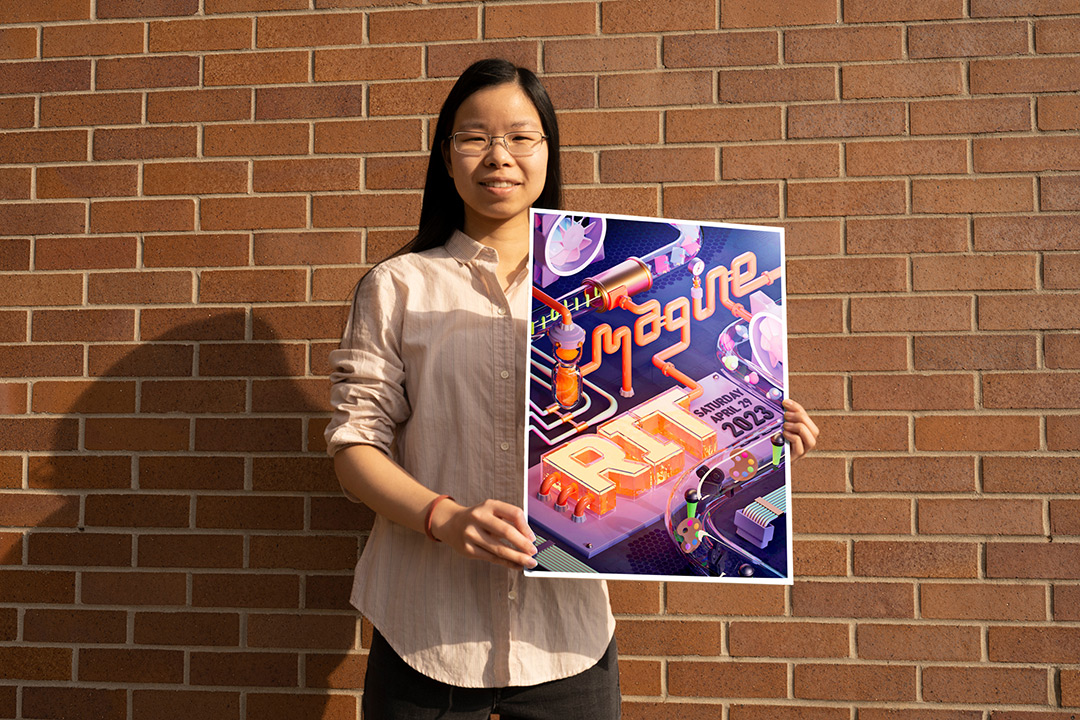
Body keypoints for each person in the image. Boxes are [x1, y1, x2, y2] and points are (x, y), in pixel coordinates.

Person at [325, 58, 819, 720]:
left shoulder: (610, 294)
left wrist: (763, 431)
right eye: (475, 136)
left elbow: (673, 423)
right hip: (424, 630)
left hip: (566, 641)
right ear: (445, 157)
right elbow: (354, 445)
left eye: (520, 136)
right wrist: (445, 518)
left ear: (548, 152)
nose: (498, 155)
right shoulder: (399, 287)